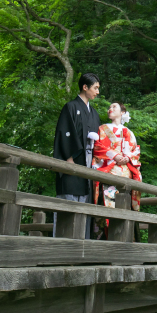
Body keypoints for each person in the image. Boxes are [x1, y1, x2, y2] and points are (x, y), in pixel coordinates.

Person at [52, 72, 101, 238]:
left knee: (84, 208)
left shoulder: (94, 114)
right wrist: (69, 158)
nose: (98, 92)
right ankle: (63, 247)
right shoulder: (71, 107)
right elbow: (64, 132)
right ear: (85, 87)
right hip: (73, 161)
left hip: (88, 165)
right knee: (69, 203)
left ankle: (81, 248)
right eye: (95, 88)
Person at [92, 102, 141, 238]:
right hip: (109, 171)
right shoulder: (102, 129)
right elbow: (98, 147)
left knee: (125, 207)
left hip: (126, 174)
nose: (110, 109)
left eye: (114, 107)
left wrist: (128, 157)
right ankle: (107, 239)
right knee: (107, 207)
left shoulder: (129, 132)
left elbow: (135, 151)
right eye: (109, 107)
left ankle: (127, 238)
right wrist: (115, 156)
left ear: (122, 113)